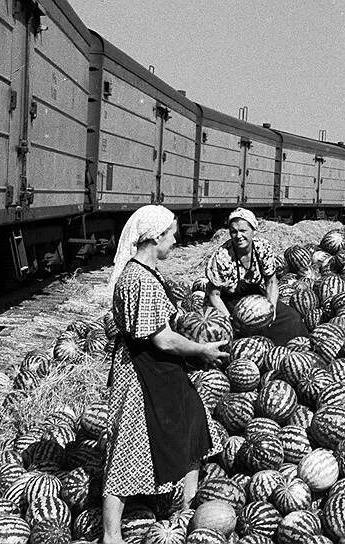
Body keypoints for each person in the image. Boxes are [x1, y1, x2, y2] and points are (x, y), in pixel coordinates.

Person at [103, 205, 228, 544]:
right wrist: (201, 350)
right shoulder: (140, 278)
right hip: (144, 371)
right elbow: (161, 338)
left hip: (156, 366)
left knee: (191, 422)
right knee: (128, 450)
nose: (175, 240)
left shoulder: (143, 271)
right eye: (172, 234)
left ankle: (185, 508)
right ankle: (111, 534)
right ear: (155, 237)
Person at [204, 208, 308, 345]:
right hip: (227, 302)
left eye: (243, 231)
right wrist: (229, 319)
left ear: (254, 231)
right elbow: (214, 295)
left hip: (256, 298)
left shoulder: (263, 248)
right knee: (241, 333)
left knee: (291, 318)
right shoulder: (222, 256)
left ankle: (287, 351)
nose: (238, 236)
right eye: (234, 231)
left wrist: (271, 309)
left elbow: (271, 282)